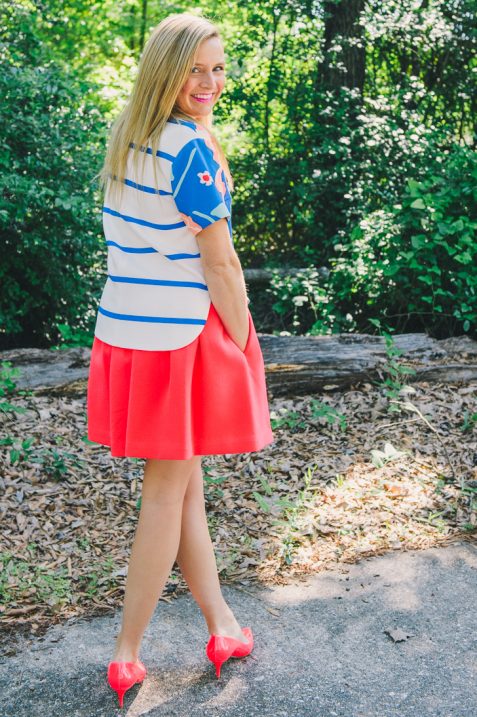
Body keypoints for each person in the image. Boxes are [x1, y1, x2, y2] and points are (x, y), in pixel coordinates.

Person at [86, 11, 275, 708]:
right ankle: (127, 652)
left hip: (128, 333)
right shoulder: (188, 150)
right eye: (196, 68)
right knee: (166, 494)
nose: (210, 82)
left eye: (218, 67)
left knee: (185, 485)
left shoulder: (129, 139)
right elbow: (219, 262)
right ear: (166, 71)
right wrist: (245, 334)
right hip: (180, 338)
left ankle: (221, 624)